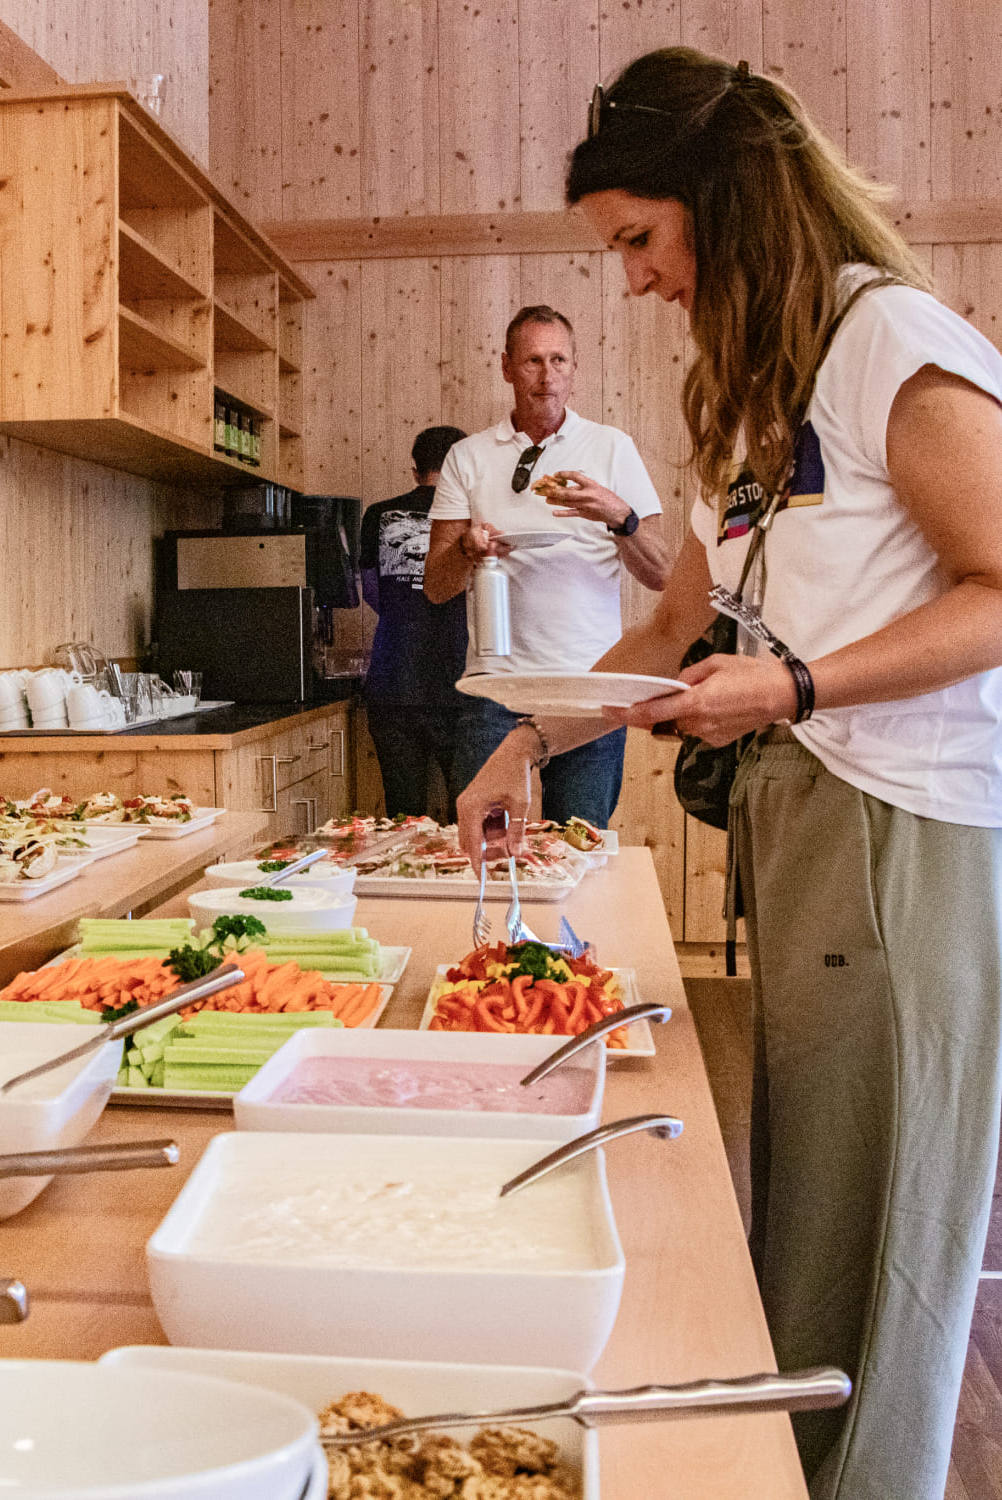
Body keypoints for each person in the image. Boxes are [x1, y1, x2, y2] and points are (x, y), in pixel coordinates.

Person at [455, 48, 1002, 1500]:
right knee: (818, 1199)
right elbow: (669, 623)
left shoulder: (890, 341)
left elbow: (1001, 584)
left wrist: (797, 683)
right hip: (811, 807)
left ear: (730, 201)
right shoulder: (764, 382)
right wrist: (524, 744)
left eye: (640, 238)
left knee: (884, 1218)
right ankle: (790, 1469)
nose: (631, 279)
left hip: (905, 820)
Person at [424, 305, 671, 828]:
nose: (547, 373)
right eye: (533, 360)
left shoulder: (611, 447)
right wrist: (467, 551)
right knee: (488, 856)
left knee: (579, 855)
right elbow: (436, 587)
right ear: (508, 367)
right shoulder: (467, 456)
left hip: (589, 691)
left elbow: (664, 575)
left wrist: (618, 515)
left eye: (559, 359)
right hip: (496, 691)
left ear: (575, 368)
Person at [358, 426, 471, 818]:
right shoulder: (472, 517)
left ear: (415, 470)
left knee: (403, 820)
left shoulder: (378, 515)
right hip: (459, 683)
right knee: (469, 819)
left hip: (393, 682)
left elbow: (372, 593)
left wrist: (406, 609)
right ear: (463, 468)